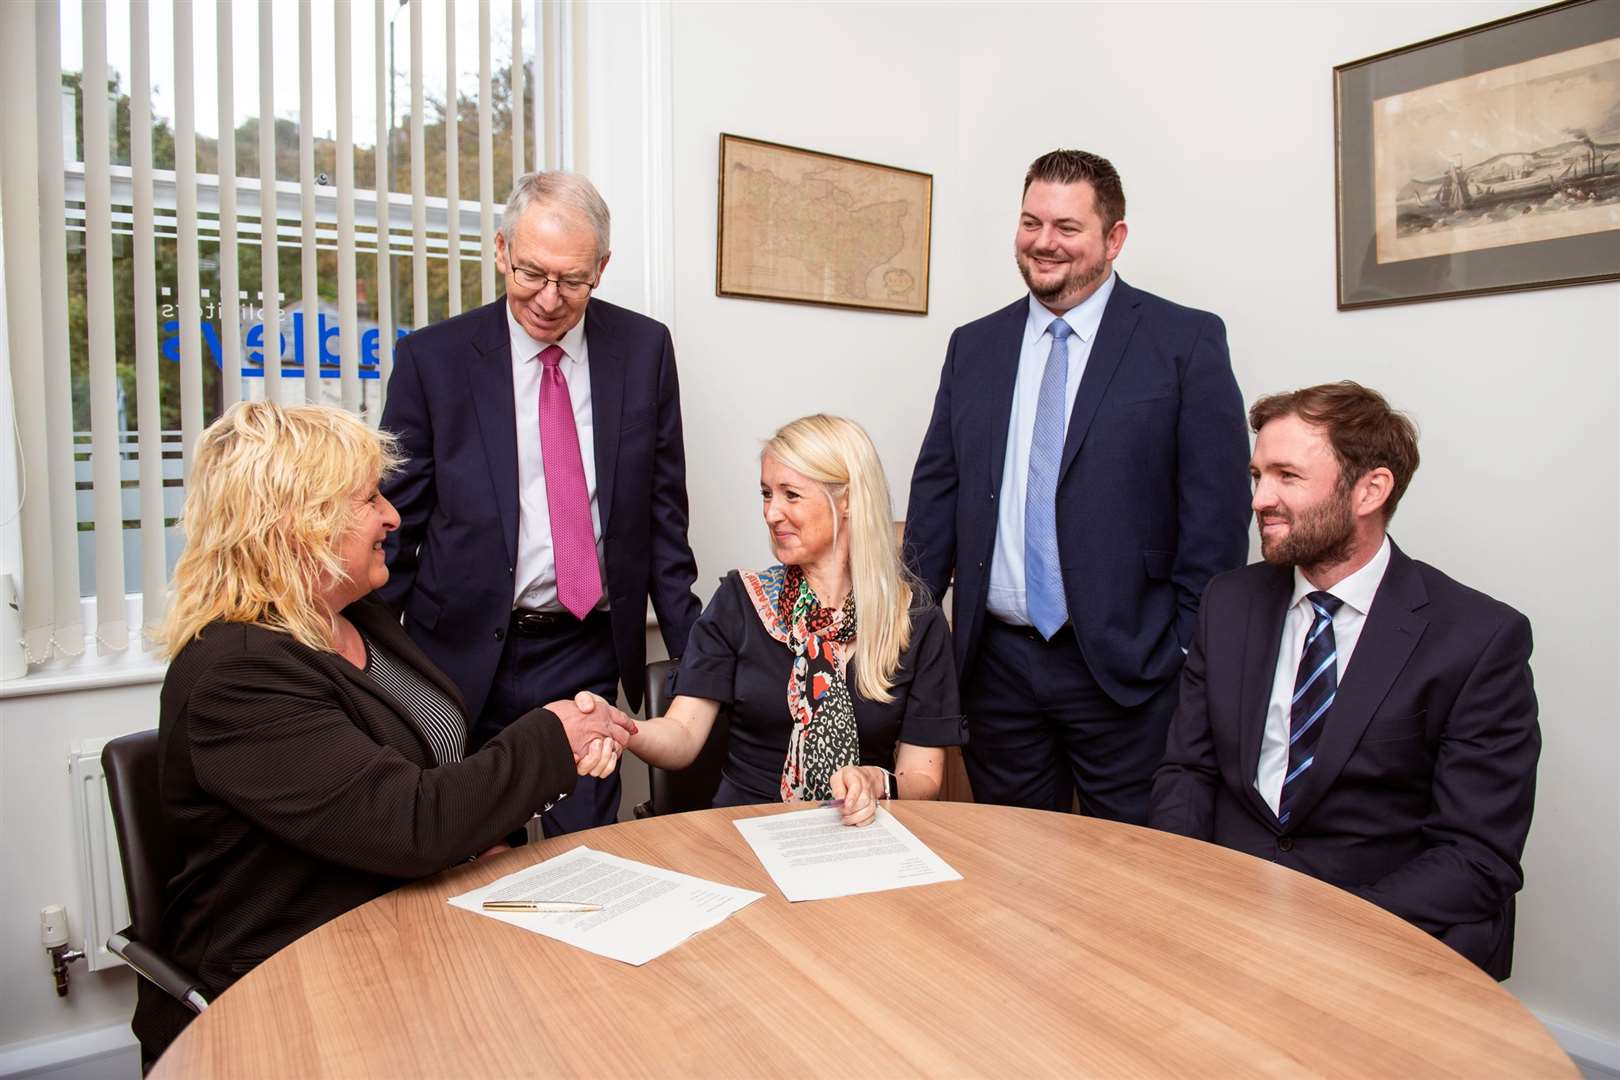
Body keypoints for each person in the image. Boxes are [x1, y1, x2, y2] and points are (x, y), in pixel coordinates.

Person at [134, 402, 631, 1062]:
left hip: (414, 927)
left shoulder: (360, 615)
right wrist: (552, 736)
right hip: (292, 987)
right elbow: (410, 823)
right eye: (369, 499)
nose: (393, 517)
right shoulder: (237, 676)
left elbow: (433, 768)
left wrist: (490, 829)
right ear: (299, 522)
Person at [905, 149, 1250, 824]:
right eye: (1031, 222)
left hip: (1131, 672)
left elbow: (1216, 516)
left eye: (1066, 226)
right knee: (1015, 876)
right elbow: (937, 495)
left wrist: (1182, 649)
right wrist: (913, 627)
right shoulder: (973, 346)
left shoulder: (1185, 342)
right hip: (996, 669)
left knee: (1134, 878)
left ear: (1113, 238)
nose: (1043, 242)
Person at [1150, 382, 1540, 978]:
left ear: (1371, 489)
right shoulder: (1228, 601)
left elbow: (1475, 855)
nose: (1260, 499)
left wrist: (1320, 934)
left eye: (1287, 476)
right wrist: (1184, 885)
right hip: (1224, 908)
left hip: (1378, 927)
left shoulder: (1478, 639)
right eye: (1257, 476)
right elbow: (1189, 770)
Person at [379, 170, 702, 836]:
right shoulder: (432, 361)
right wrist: (370, 669)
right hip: (458, 654)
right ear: (501, 251)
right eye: (531, 273)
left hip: (582, 647)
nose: (550, 299)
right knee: (468, 851)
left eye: (572, 280)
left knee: (588, 854)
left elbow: (662, 522)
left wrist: (701, 672)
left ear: (602, 269)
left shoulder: (643, 351)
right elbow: (395, 527)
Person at [628, 415, 965, 825]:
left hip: (861, 835)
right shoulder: (740, 602)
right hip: (745, 835)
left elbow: (923, 775)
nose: (772, 513)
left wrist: (875, 781)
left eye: (791, 495)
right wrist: (624, 729)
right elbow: (680, 736)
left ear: (848, 500)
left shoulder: (915, 621)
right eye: (767, 494)